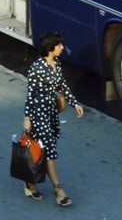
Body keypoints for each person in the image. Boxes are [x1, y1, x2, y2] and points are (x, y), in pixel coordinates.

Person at [23, 32, 83, 207]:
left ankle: (30, 183)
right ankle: (58, 190)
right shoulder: (36, 67)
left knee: (39, 150)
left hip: (52, 113)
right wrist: (27, 118)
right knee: (49, 149)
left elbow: (62, 86)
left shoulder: (56, 63)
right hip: (38, 113)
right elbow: (30, 95)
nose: (62, 48)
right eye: (59, 45)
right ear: (51, 47)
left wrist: (75, 104)